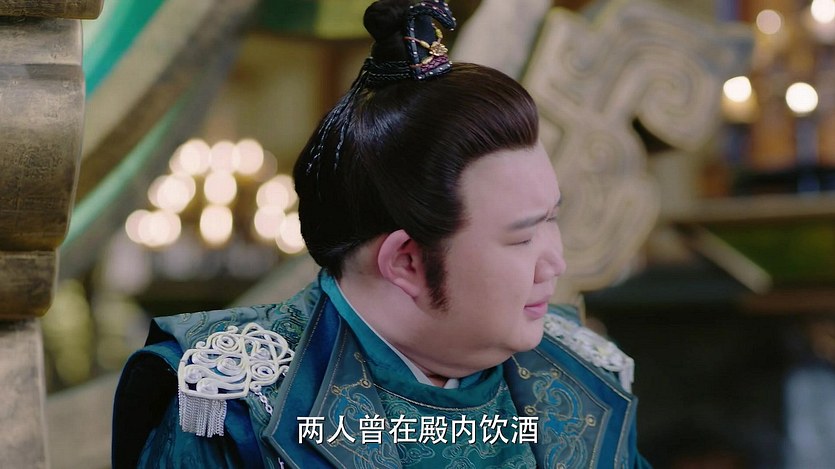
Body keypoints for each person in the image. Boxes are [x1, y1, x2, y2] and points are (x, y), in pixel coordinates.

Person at [112, 0, 651, 467]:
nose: (555, 262)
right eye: (522, 238)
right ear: (406, 262)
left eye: (551, 219)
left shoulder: (586, 376)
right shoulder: (230, 398)